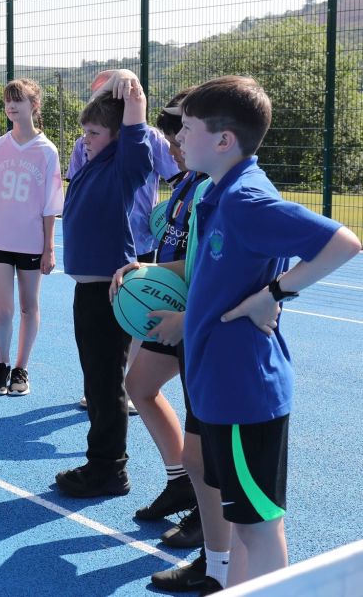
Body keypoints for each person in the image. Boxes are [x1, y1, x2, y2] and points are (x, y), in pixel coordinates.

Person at [155, 75, 359, 592]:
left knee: (259, 528)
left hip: (244, 393)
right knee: (246, 528)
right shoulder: (216, 191)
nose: (178, 138)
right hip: (219, 388)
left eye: (188, 128)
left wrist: (275, 293)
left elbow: (343, 242)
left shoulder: (246, 198)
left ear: (224, 140)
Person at [57, 69, 152, 498]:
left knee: (105, 382)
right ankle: (102, 463)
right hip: (89, 290)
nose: (86, 139)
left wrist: (129, 82)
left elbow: (136, 120)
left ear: (118, 136)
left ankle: (109, 468)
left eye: (94, 132)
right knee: (96, 381)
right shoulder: (93, 163)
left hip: (107, 292)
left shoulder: (125, 164)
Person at [122, 92, 204, 526]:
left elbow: (209, 262)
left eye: (177, 140)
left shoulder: (214, 188)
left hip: (199, 315)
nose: (171, 149)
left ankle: (209, 513)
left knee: (203, 423)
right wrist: (146, 268)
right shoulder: (187, 181)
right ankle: (181, 483)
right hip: (172, 304)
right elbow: (183, 251)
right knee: (138, 385)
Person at [0, 79, 64, 397]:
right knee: (4, 309)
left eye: (19, 100)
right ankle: (1, 366)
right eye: (8, 100)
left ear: (34, 105)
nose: (11, 106)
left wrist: (48, 248)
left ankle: (20, 368)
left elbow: (50, 205)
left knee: (29, 307)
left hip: (30, 243)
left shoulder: (47, 151)